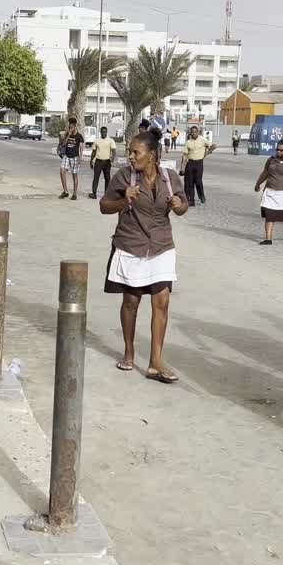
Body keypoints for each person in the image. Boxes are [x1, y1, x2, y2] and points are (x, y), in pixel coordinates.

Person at [100, 128, 187, 383]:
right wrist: (124, 201)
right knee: (131, 302)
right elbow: (104, 206)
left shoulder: (169, 178)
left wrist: (178, 206)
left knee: (162, 301)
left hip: (161, 246)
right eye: (130, 152)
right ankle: (128, 352)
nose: (131, 156)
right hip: (131, 245)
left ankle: (155, 362)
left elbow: (183, 206)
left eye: (136, 152)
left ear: (151, 156)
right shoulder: (124, 177)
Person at [181, 125, 216, 205]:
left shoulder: (203, 139)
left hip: (199, 163)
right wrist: (182, 168)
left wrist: (207, 153)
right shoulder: (188, 142)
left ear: (198, 132)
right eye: (192, 132)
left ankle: (201, 195)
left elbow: (213, 146)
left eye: (195, 132)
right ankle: (191, 201)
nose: (194, 133)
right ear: (190, 133)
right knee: (190, 182)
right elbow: (185, 155)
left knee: (198, 181)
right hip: (190, 163)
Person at [58, 117, 84, 200]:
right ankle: (65, 192)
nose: (71, 128)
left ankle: (75, 194)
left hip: (75, 157)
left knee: (74, 175)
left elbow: (81, 147)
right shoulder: (67, 133)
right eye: (70, 126)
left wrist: (80, 157)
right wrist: (68, 134)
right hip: (66, 156)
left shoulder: (79, 136)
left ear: (75, 126)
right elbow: (63, 144)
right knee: (62, 171)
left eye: (72, 126)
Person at [89, 126, 116, 199]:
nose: (104, 133)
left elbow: (113, 151)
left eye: (105, 132)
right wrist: (91, 161)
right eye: (102, 132)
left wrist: (112, 159)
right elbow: (94, 152)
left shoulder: (111, 140)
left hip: (107, 162)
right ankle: (94, 194)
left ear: (107, 132)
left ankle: (106, 195)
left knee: (107, 178)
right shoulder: (97, 141)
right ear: (100, 132)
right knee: (96, 178)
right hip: (98, 161)